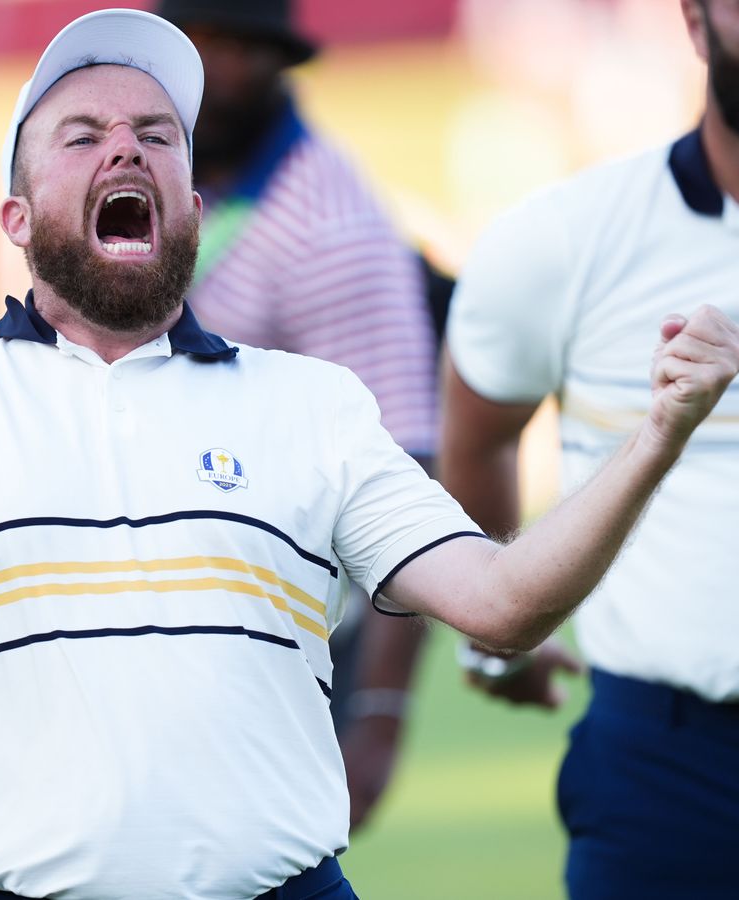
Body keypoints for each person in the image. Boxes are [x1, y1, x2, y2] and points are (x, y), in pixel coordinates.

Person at [0, 8, 739, 900]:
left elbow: (502, 602)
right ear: (17, 217)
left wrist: (656, 437)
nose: (125, 150)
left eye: (156, 135)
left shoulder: (312, 408)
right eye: (82, 135)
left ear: (189, 201)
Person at [440, 1, 739, 897]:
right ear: (694, 21)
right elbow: (481, 438)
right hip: (671, 767)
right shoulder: (565, 237)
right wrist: (498, 635)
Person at [153, 0, 440, 831]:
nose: (210, 74)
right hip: (166, 608)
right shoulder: (173, 177)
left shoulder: (328, 224)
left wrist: (378, 715)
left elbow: (405, 472)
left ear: (276, 60)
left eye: (237, 48)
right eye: (194, 44)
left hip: (275, 637)